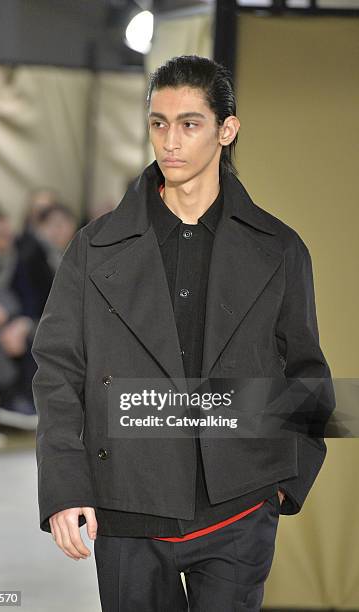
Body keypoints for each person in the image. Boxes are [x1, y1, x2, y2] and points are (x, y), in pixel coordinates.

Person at [31, 55, 335, 611]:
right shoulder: (93, 250)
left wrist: (284, 482)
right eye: (158, 123)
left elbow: (306, 373)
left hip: (238, 508)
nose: (170, 141)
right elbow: (58, 371)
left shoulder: (280, 250)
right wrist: (65, 487)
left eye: (189, 123)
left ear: (227, 129)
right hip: (127, 510)